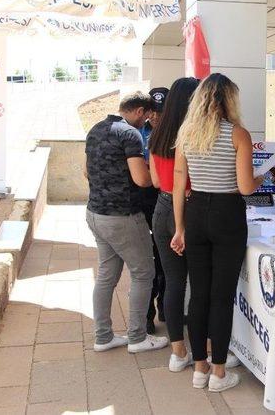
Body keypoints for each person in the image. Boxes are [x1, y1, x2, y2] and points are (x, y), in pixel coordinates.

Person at [170, 73, 264, 392]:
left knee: (198, 294)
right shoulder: (238, 134)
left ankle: (199, 369)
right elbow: (245, 187)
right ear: (229, 100)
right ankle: (219, 374)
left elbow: (179, 184)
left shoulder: (187, 133)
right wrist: (264, 177)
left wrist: (179, 227)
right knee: (221, 297)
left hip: (195, 213)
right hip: (227, 215)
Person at [85, 92, 169, 353]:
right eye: (146, 115)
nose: (147, 120)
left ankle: (103, 337)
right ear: (140, 111)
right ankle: (137, 337)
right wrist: (148, 166)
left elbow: (87, 171)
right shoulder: (129, 134)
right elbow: (142, 180)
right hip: (123, 217)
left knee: (106, 277)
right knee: (144, 273)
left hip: (95, 213)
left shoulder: (96, 129)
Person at [148, 77, 200, 372]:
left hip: (162, 209)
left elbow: (156, 181)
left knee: (174, 283)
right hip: (188, 211)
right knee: (199, 284)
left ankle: (177, 353)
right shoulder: (192, 136)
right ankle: (203, 348)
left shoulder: (155, 134)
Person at [139, 87, 169, 334]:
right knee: (147, 262)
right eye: (152, 111)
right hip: (145, 202)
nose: (155, 116)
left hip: (169, 200)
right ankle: (147, 314)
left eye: (160, 111)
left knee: (167, 258)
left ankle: (165, 306)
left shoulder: (177, 132)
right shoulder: (137, 132)